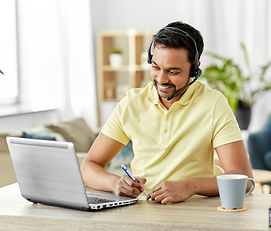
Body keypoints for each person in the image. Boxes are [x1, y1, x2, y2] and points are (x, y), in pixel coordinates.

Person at [81, 21, 253, 205]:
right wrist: (115, 183)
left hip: (195, 209)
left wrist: (189, 187)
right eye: (155, 67)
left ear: (194, 68)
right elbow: (89, 166)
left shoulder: (214, 104)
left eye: (173, 71)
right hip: (141, 209)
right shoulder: (131, 103)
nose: (161, 79)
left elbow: (243, 180)